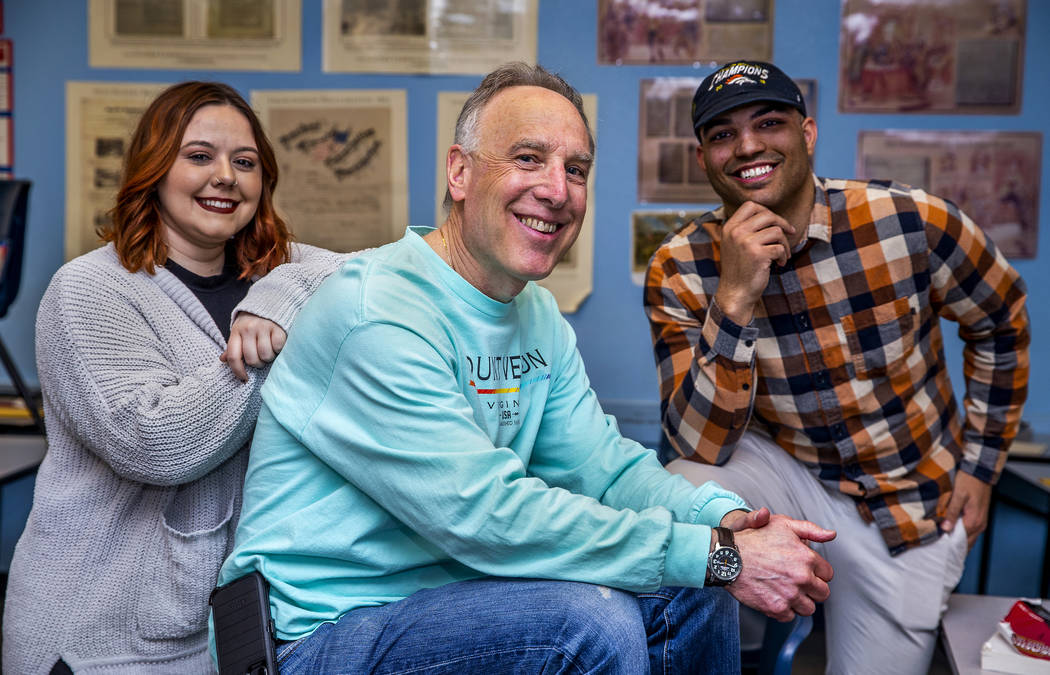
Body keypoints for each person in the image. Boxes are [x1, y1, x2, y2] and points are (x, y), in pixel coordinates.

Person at [215, 62, 835, 674]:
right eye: (528, 159)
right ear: (460, 172)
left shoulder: (535, 313)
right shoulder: (378, 312)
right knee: (590, 624)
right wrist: (722, 556)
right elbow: (487, 517)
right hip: (315, 635)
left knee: (692, 594)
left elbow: (605, 471)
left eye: (576, 170)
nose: (557, 191)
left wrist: (724, 522)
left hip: (455, 598)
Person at [644, 60, 1030, 674]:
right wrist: (735, 298)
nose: (746, 146)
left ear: (808, 133)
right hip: (789, 481)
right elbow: (697, 446)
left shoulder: (911, 220)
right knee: (677, 492)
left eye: (768, 122)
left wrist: (982, 468)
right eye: (722, 134)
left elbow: (1002, 318)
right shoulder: (681, 265)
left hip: (909, 505)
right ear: (704, 159)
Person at [3, 82, 355, 674]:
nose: (226, 176)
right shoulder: (90, 290)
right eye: (199, 157)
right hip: (96, 638)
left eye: (244, 163)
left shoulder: (268, 276)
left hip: (213, 633)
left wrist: (278, 299)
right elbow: (159, 442)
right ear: (154, 170)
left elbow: (360, 269)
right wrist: (272, 354)